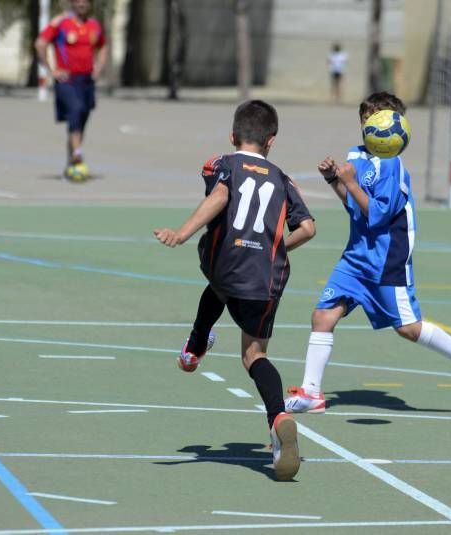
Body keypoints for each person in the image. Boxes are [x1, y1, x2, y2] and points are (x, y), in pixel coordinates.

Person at [284, 92, 451, 415]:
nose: (372, 126)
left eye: (378, 119)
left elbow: (378, 216)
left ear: (396, 126)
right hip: (357, 256)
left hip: (387, 259)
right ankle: (312, 393)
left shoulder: (393, 166)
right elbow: (355, 207)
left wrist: (350, 183)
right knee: (323, 315)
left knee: (408, 328)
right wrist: (334, 180)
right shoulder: (356, 157)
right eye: (366, 120)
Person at [154, 100, 316, 481]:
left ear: (233, 135)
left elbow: (220, 197)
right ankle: (278, 416)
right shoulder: (283, 179)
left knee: (219, 285)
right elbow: (308, 228)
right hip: (267, 276)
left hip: (227, 264)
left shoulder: (223, 164)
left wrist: (182, 232)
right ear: (271, 141)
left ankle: (195, 347)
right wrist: (277, 246)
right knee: (255, 355)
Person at [35, 0, 108, 179]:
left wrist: (99, 67)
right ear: (72, 3)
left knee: (81, 118)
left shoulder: (94, 25)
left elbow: (103, 45)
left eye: (85, 1)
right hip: (66, 80)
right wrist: (51, 70)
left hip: (87, 80)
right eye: (78, 1)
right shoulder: (61, 23)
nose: (81, 4)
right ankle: (77, 155)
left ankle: (72, 160)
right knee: (75, 110)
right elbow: (40, 44)